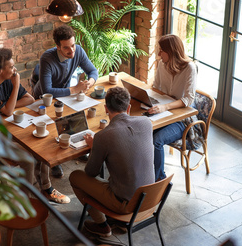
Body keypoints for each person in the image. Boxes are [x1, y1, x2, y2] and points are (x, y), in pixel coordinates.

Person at [0, 47, 70, 204]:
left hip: (1, 128)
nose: (15, 70)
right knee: (28, 159)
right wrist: (15, 88)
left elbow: (29, 99)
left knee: (40, 142)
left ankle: (46, 188)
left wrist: (7, 104)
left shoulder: (6, 79)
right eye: (11, 67)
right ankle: (24, 203)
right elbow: (8, 112)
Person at [69, 87, 155, 237]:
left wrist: (95, 146)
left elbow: (90, 172)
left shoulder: (104, 136)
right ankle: (119, 223)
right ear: (129, 107)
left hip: (126, 205)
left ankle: (102, 225)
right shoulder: (146, 123)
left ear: (106, 109)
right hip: (150, 199)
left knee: (75, 176)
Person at [33, 24, 99, 177]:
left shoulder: (78, 51)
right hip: (43, 99)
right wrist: (74, 90)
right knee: (51, 130)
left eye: (73, 45)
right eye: (67, 48)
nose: (72, 51)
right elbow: (47, 91)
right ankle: (54, 162)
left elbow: (93, 71)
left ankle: (78, 151)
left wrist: (90, 82)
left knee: (75, 118)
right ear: (58, 47)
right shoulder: (47, 58)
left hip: (65, 96)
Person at [147, 34, 198, 181]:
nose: (158, 54)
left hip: (182, 120)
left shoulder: (190, 68)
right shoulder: (162, 65)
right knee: (141, 132)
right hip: (163, 113)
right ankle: (144, 173)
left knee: (156, 141)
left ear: (171, 52)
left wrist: (165, 107)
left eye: (161, 51)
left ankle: (159, 180)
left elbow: (188, 99)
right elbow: (155, 87)